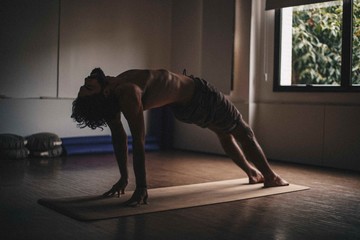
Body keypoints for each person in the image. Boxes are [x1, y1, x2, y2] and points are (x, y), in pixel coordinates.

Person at [71, 68, 289, 206]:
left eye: (84, 86)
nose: (86, 81)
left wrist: (124, 179)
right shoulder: (126, 91)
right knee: (244, 132)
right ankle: (269, 177)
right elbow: (135, 140)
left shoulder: (113, 91)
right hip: (200, 96)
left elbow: (119, 139)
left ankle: (252, 173)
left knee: (224, 133)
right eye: (87, 88)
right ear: (104, 93)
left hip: (184, 108)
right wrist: (141, 187)